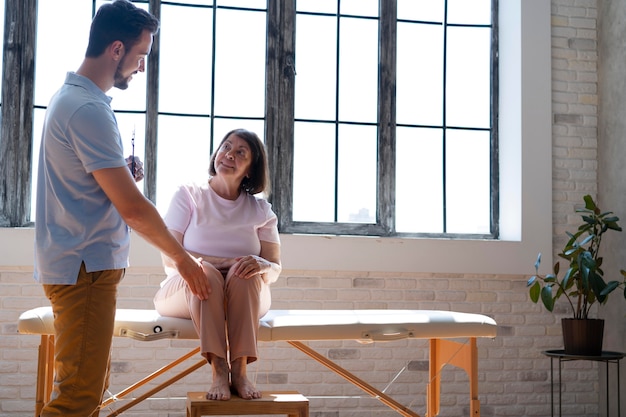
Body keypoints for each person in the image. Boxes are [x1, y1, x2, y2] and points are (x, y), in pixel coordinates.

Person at [34, 2, 209, 416]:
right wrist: (183, 262)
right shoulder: (88, 108)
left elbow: (88, 185)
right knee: (77, 398)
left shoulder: (71, 98)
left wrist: (121, 173)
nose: (141, 67)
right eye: (140, 56)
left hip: (77, 267)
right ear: (116, 49)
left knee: (87, 390)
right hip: (85, 270)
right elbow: (133, 209)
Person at [154, 128, 282, 401]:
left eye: (240, 153)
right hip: (183, 288)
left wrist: (259, 264)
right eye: (226, 147)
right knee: (204, 272)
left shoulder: (261, 211)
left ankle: (240, 370)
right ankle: (219, 370)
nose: (229, 155)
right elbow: (169, 255)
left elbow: (275, 268)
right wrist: (216, 264)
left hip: (244, 292)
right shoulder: (188, 195)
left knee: (244, 273)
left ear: (250, 170)